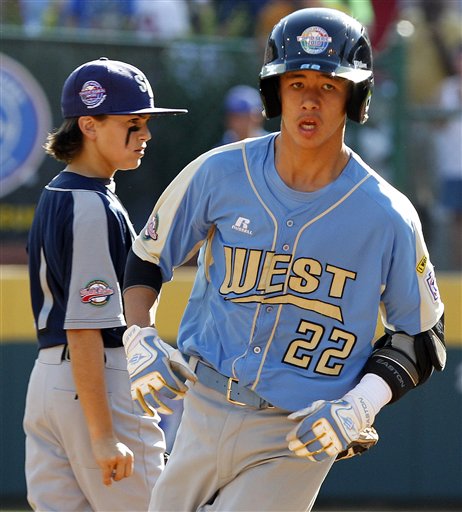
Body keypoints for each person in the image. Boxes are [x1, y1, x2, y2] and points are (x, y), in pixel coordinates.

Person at [122, 8, 446, 512]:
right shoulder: (219, 173)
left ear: (354, 97)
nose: (310, 99)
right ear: (276, 93)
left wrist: (361, 403)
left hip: (297, 433)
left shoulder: (387, 215)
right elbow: (146, 259)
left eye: (329, 85)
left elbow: (423, 335)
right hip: (202, 411)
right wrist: (137, 336)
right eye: (296, 83)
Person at [24, 57, 187, 511]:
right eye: (132, 123)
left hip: (49, 384)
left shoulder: (60, 192)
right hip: (94, 384)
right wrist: (102, 436)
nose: (146, 135)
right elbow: (84, 325)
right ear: (90, 124)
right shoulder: (89, 205)